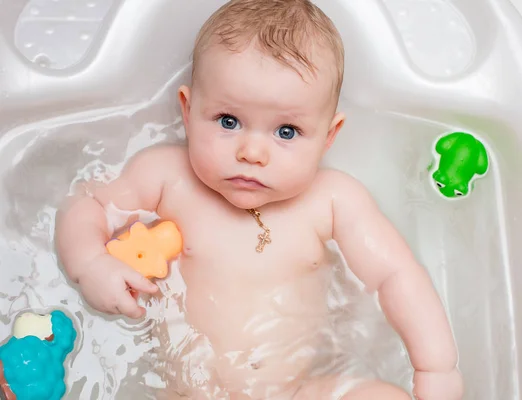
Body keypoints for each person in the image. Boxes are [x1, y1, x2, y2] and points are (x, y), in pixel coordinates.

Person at [55, 0, 464, 398]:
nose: (252, 152)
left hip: (295, 392)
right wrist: (90, 263)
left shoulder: (334, 200)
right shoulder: (166, 177)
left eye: (286, 131)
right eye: (228, 121)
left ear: (328, 136)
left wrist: (436, 367)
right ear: (188, 109)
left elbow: (395, 276)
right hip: (183, 392)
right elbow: (85, 202)